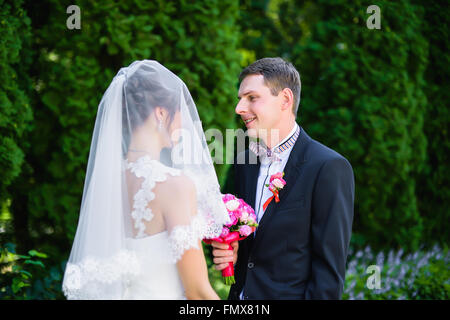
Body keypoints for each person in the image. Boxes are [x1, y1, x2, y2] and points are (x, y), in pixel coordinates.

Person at [62, 60, 230, 300]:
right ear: (161, 113)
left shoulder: (107, 184)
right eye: (180, 112)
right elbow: (198, 292)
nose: (184, 123)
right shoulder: (174, 185)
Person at [212, 57, 355, 299]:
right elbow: (241, 242)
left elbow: (328, 278)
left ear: (285, 100)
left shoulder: (328, 167)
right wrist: (230, 250)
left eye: (251, 98)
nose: (239, 108)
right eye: (240, 99)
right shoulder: (244, 163)